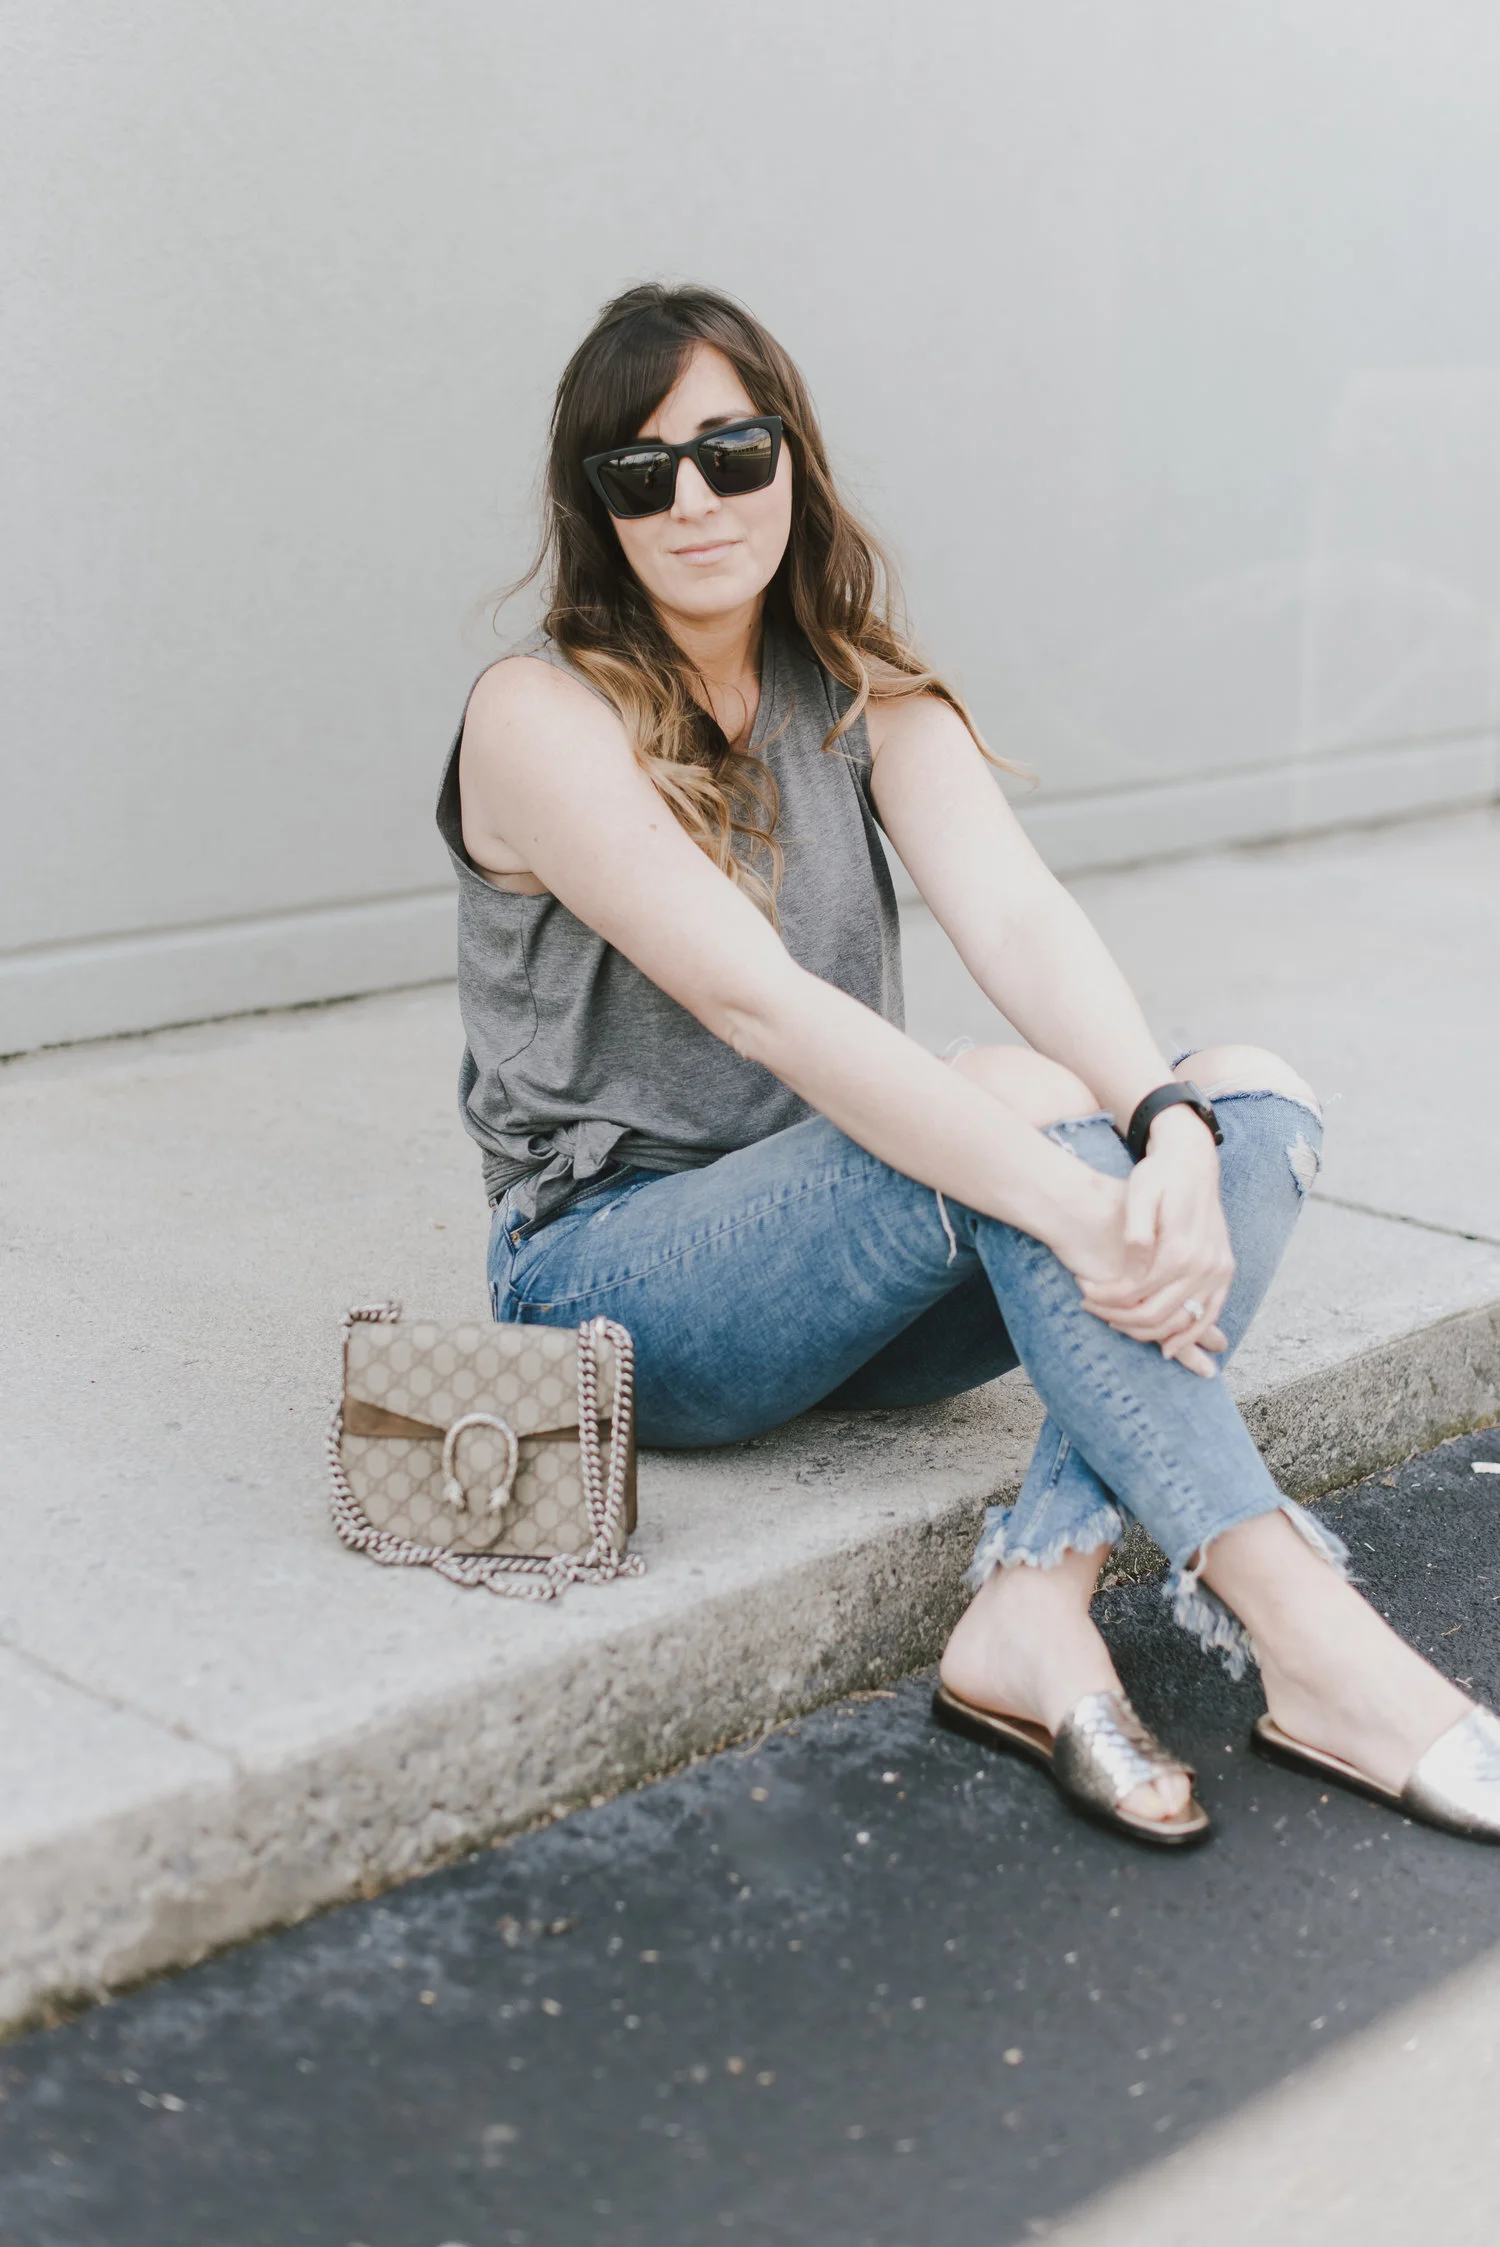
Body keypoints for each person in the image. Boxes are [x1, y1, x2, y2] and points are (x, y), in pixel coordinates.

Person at [437, 282, 1500, 1847]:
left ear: (792, 456)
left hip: (853, 1270)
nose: (696, 499)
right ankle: (1312, 1634)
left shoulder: (852, 683)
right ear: (593, 505)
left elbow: (1015, 909)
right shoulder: (536, 711)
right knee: (1019, 1110)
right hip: (616, 1281)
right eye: (641, 470)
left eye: (731, 450)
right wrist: (1077, 1197)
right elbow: (765, 1011)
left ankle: (1034, 1593)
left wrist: (1171, 1123)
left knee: (1253, 1094)